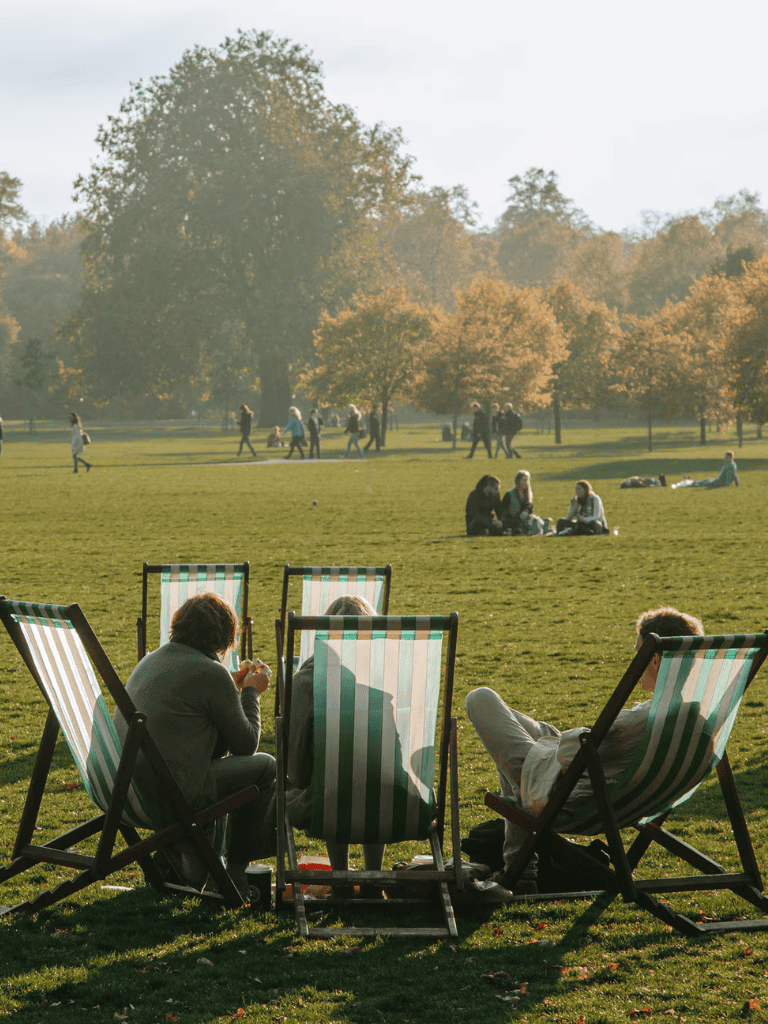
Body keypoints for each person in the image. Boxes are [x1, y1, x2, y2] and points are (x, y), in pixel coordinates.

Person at [465, 606, 705, 894]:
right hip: (616, 797)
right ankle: (520, 871)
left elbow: (572, 753)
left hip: (568, 798)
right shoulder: (697, 720)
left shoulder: (644, 721)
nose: (633, 659)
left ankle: (520, 871)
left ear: (654, 659)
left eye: (638, 651)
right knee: (513, 732)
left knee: (481, 698)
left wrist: (577, 736)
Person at [112, 592, 277, 897]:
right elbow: (246, 745)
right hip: (171, 796)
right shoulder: (210, 673)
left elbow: (191, 704)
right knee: (266, 767)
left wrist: (232, 686)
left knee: (219, 769)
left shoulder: (153, 659)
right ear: (224, 637)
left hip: (129, 792)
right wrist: (251, 693)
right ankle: (236, 872)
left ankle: (184, 863)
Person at [286, 594, 384, 896]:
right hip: (395, 806)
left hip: (325, 804)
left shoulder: (305, 682)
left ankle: (340, 879)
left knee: (328, 781)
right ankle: (373, 880)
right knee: (371, 776)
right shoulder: (390, 678)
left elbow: (299, 775)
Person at [501, 470, 552, 535]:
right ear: (518, 481)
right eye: (524, 480)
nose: (526, 482)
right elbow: (503, 510)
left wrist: (525, 511)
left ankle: (543, 526)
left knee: (534, 520)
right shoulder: (509, 494)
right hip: (512, 520)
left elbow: (530, 507)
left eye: (527, 480)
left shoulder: (527, 494)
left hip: (524, 519)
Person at [672, 451, 740, 489]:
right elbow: (735, 476)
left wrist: (726, 486)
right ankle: (687, 482)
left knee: (703, 483)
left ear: (730, 458)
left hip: (719, 483)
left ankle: (686, 483)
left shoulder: (730, 466)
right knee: (706, 480)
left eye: (727, 457)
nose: (725, 459)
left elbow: (731, 477)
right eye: (725, 457)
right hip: (718, 481)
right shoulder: (730, 464)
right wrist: (737, 485)